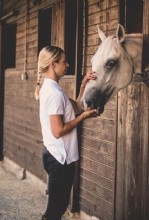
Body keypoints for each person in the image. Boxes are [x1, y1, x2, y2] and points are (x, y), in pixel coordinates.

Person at [34, 46, 99, 220]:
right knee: (54, 212)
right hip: (59, 159)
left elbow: (77, 106)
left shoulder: (54, 89)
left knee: (58, 208)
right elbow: (58, 131)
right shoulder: (54, 94)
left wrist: (84, 83)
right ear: (53, 64)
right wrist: (83, 117)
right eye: (64, 62)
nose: (67, 65)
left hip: (55, 156)